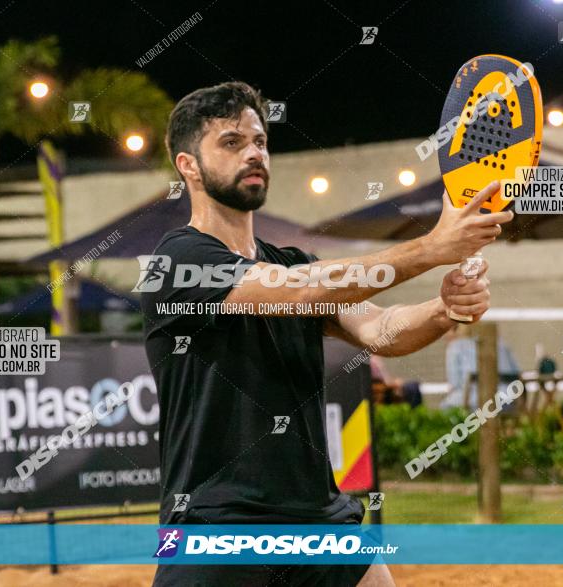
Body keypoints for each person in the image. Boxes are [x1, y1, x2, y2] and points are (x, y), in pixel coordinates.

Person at [141, 82, 512, 587]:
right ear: (188, 166)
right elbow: (297, 293)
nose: (254, 152)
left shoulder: (294, 262)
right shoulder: (176, 262)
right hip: (217, 528)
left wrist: (443, 309)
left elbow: (381, 330)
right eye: (231, 142)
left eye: (260, 141)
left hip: (319, 523)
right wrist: (430, 249)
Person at [442, 323, 521, 409]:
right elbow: (517, 374)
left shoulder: (455, 347)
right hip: (508, 400)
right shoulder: (503, 345)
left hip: (474, 403)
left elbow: (455, 383)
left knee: (446, 407)